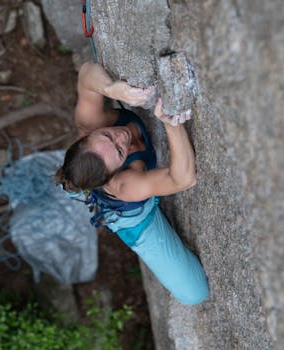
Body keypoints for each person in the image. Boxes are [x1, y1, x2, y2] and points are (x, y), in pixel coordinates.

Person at [55, 62, 209, 304]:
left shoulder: (89, 124)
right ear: (115, 171)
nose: (120, 136)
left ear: (88, 136)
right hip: (135, 218)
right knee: (195, 294)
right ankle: (83, 193)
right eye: (118, 151)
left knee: (83, 171)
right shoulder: (125, 185)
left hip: (110, 175)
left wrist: (112, 89)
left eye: (107, 135)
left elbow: (86, 73)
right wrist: (171, 123)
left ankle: (72, 185)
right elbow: (184, 178)